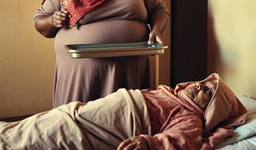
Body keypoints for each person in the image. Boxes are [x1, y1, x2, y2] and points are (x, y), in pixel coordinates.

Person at [33, 0, 170, 107]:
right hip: (82, 76)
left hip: (130, 71)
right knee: (81, 123)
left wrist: (157, 30)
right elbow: (39, 21)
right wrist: (52, 20)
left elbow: (159, 10)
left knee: (129, 119)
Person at [0, 73, 247, 150]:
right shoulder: (171, 93)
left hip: (110, 125)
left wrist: (149, 142)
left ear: (213, 109)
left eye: (207, 92)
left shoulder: (190, 118)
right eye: (203, 82)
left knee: (54, 134)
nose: (198, 86)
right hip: (87, 111)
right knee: (51, 118)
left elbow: (180, 141)